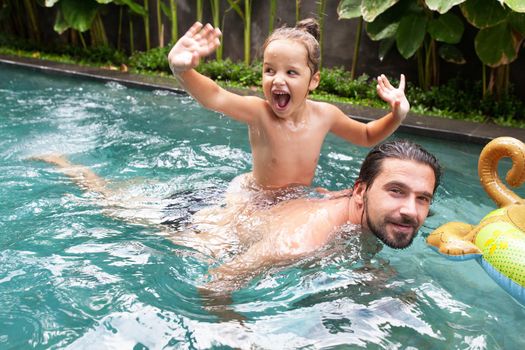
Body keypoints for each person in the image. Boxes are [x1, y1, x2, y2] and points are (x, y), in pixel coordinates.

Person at [32, 139, 441, 291]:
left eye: (423, 199)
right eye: (396, 191)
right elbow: (216, 283)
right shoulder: (300, 242)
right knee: (106, 200)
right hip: (198, 221)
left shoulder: (360, 210)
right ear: (361, 192)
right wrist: (236, 329)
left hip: (251, 205)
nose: (409, 210)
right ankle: (63, 163)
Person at [167, 19, 410, 194]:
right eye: (269, 70)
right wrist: (182, 70)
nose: (278, 79)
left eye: (291, 72)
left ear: (313, 80)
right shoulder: (259, 113)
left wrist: (396, 116)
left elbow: (366, 135)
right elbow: (214, 96)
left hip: (296, 200)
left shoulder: (325, 115)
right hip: (254, 198)